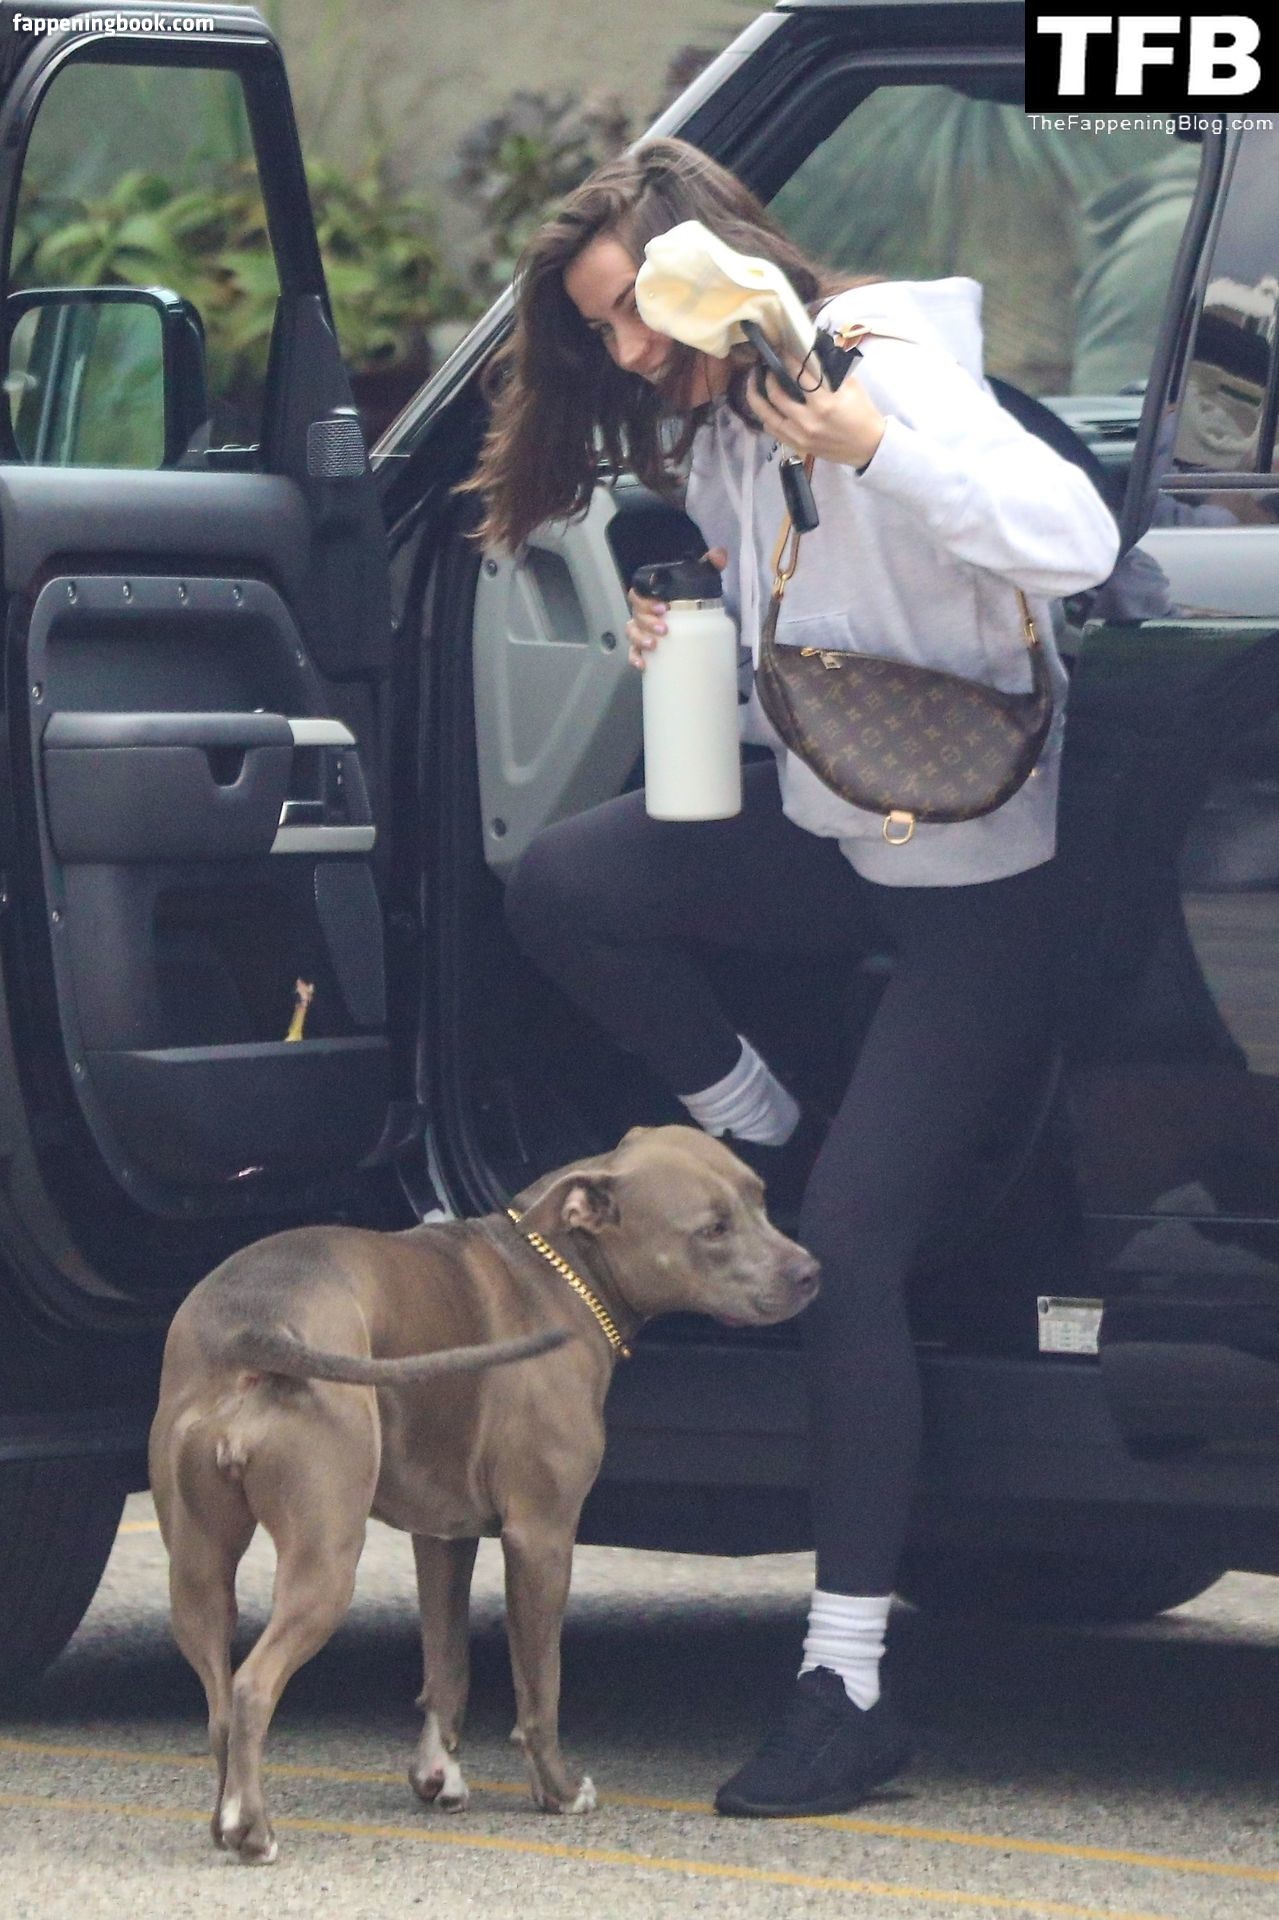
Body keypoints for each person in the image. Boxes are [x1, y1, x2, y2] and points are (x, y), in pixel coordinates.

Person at [467, 137, 1120, 1818]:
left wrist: (873, 444)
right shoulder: (728, 425)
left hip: (983, 887)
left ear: (713, 262)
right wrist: (690, 650)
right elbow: (829, 665)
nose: (627, 349)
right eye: (600, 329)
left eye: (637, 309)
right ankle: (757, 1120)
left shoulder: (873, 371)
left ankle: (845, 1684)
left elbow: (1077, 537)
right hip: (845, 832)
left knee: (846, 1248)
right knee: (569, 882)